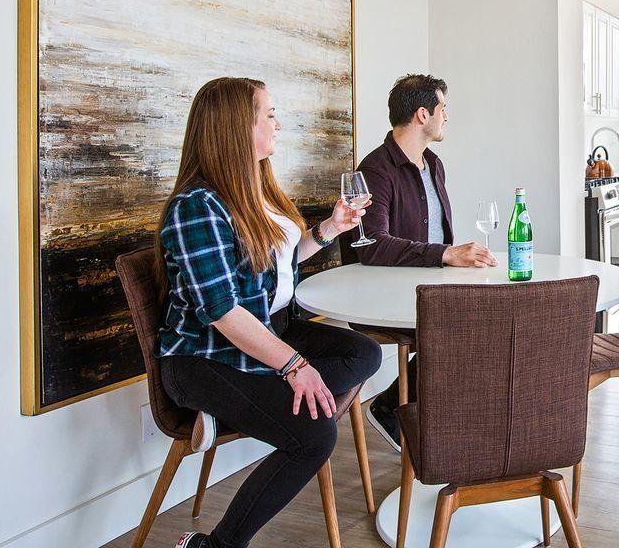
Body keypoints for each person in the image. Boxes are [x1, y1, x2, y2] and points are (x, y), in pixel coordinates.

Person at [156, 77, 382, 548]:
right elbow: (222, 311)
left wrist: (329, 229)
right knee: (315, 437)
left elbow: (273, 265)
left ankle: (239, 412)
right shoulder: (197, 207)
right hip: (204, 358)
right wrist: (294, 366)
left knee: (365, 354)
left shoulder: (255, 187)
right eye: (270, 114)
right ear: (236, 127)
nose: (278, 124)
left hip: (267, 329)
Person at [352, 73, 496, 449]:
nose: (446, 115)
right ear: (422, 114)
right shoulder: (375, 170)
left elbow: (435, 238)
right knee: (468, 326)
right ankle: (391, 409)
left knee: (491, 316)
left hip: (430, 283)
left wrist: (457, 259)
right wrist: (446, 254)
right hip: (389, 293)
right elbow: (372, 246)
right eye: (442, 108)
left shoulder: (433, 164)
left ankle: (443, 425)